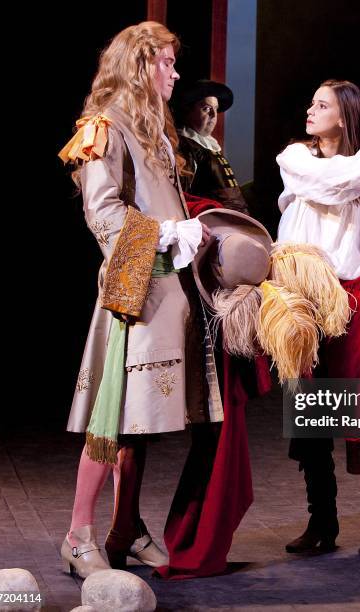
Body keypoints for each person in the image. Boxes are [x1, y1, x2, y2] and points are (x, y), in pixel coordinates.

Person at [58, 21, 219, 578]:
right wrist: (168, 234)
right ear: (141, 63)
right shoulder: (104, 126)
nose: (175, 74)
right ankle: (79, 534)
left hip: (169, 289)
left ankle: (127, 526)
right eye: (167, 64)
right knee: (115, 416)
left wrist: (190, 229)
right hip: (134, 288)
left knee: (142, 419)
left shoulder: (155, 128)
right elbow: (102, 213)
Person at [276, 79, 360, 555]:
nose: (310, 110)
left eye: (322, 104)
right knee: (308, 409)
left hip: (349, 299)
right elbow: (330, 184)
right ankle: (322, 522)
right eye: (311, 102)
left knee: (356, 406)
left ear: (344, 115)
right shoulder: (297, 159)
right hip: (299, 297)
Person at [174, 80, 250, 215]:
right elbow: (183, 197)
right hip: (211, 223)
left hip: (231, 219)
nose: (214, 116)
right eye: (207, 109)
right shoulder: (185, 147)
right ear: (188, 110)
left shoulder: (208, 146)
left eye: (215, 109)